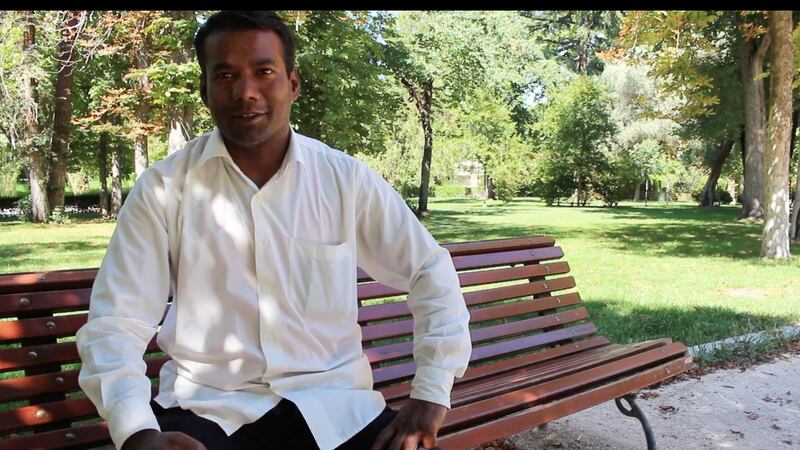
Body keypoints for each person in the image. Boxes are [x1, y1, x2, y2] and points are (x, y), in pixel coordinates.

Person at [76, 10, 471, 450]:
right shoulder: (165, 189)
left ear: (293, 84)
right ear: (205, 91)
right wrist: (136, 431)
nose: (246, 92)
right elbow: (117, 321)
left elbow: (429, 271)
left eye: (264, 71)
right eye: (225, 75)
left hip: (335, 407)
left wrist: (432, 395)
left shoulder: (345, 180)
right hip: (208, 408)